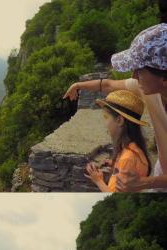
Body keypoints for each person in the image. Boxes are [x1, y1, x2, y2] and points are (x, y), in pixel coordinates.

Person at [64, 23, 167, 191]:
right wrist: (78, 85)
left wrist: (147, 182)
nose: (134, 75)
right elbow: (109, 85)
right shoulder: (150, 90)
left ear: (164, 77)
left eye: (139, 69)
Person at [83, 91, 151, 192]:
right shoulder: (134, 147)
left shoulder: (127, 158)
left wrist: (98, 180)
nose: (105, 124)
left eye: (106, 117)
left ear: (119, 120)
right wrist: (115, 165)